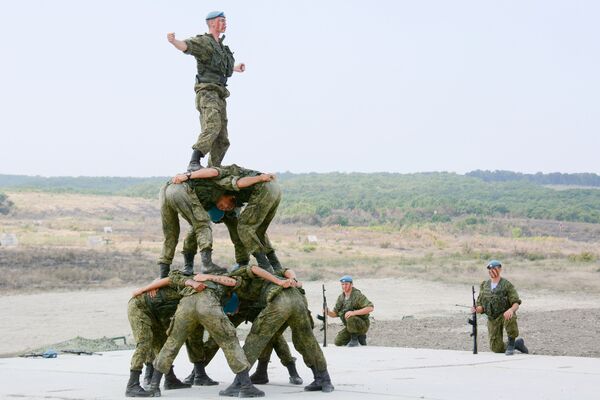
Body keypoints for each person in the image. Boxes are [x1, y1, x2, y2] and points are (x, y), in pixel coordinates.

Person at [143, 271, 264, 398]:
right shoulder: (222, 278)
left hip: (185, 305)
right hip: (207, 303)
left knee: (171, 343)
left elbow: (169, 278)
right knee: (229, 342)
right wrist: (211, 277)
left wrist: (154, 284)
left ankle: (154, 386)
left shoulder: (192, 276)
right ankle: (246, 386)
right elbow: (233, 282)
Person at [167, 11, 246, 171]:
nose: (224, 23)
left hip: (220, 93)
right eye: (221, 21)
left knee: (223, 137)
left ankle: (214, 167)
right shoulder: (204, 42)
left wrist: (236, 68)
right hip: (207, 92)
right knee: (213, 125)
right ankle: (194, 161)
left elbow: (223, 67)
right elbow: (187, 46)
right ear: (212, 23)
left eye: (225, 21)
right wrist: (174, 41)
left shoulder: (222, 48)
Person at [172, 164, 283, 272]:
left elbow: (234, 182)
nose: (226, 208)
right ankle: (275, 265)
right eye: (224, 207)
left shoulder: (227, 187)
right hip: (273, 188)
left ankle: (259, 264)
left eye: (226, 206)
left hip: (263, 188)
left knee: (243, 228)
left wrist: (260, 178)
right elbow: (212, 171)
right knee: (257, 230)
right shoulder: (219, 186)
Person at [125, 277, 201, 396]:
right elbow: (170, 278)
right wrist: (150, 286)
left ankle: (170, 379)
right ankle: (132, 385)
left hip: (157, 313)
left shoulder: (195, 299)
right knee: (144, 343)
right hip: (139, 307)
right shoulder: (189, 285)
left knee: (162, 344)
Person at [157, 180, 246, 278]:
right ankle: (204, 265)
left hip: (166, 189)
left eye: (230, 208)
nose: (226, 207)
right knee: (201, 225)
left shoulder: (231, 213)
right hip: (178, 189)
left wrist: (243, 262)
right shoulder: (212, 189)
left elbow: (238, 235)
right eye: (228, 205)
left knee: (172, 234)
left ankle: (163, 273)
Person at [472, 260, 529, 355]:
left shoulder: (506, 285)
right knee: (496, 349)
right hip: (492, 318)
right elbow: (481, 306)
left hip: (504, 314)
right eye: (490, 269)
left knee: (510, 316)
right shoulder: (484, 285)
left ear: (500, 269)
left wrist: (511, 310)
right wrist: (477, 309)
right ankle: (517, 344)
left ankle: (511, 343)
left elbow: (516, 303)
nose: (492, 271)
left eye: (494, 268)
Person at [325, 275, 374, 347]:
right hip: (350, 326)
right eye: (342, 284)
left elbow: (370, 308)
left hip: (362, 325)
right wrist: (328, 312)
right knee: (338, 342)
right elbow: (335, 314)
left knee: (350, 316)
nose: (344, 286)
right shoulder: (341, 298)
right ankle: (360, 337)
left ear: (351, 284)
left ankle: (355, 339)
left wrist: (353, 313)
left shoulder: (357, 295)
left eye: (346, 284)